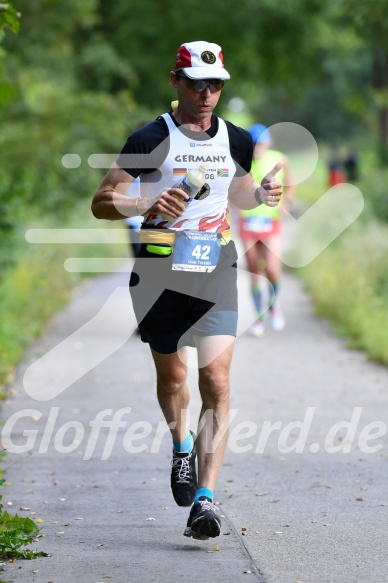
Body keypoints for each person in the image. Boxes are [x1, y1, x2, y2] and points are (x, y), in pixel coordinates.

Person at [91, 41, 282, 540]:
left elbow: (234, 190)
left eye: (215, 84)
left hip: (216, 266)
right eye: (196, 83)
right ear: (175, 81)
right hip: (159, 271)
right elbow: (102, 201)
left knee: (216, 382)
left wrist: (260, 195)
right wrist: (147, 201)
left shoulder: (236, 139)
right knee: (173, 378)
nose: (206, 93)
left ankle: (205, 500)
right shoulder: (152, 137)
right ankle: (181, 448)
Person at [238, 124, 295, 337]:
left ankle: (273, 304)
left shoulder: (279, 159)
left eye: (260, 143)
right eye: (253, 143)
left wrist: (287, 201)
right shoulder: (242, 162)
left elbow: (290, 183)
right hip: (248, 222)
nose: (257, 147)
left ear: (268, 142)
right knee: (254, 269)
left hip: (271, 223)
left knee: (272, 269)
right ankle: (258, 318)